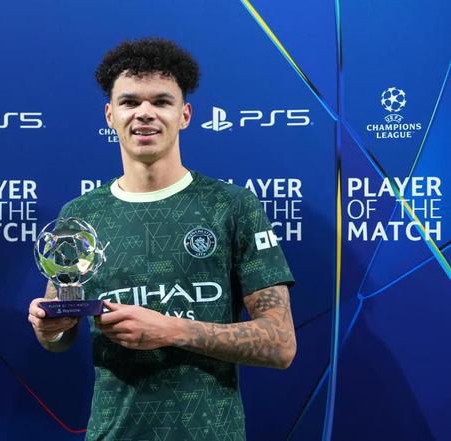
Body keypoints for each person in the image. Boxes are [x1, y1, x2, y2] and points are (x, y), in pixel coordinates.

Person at [28, 38, 296, 441]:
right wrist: (50, 328)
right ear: (110, 115)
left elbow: (280, 343)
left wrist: (171, 330)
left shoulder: (231, 206)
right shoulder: (81, 216)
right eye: (130, 102)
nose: (145, 113)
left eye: (161, 101)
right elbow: (59, 337)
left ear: (184, 114)